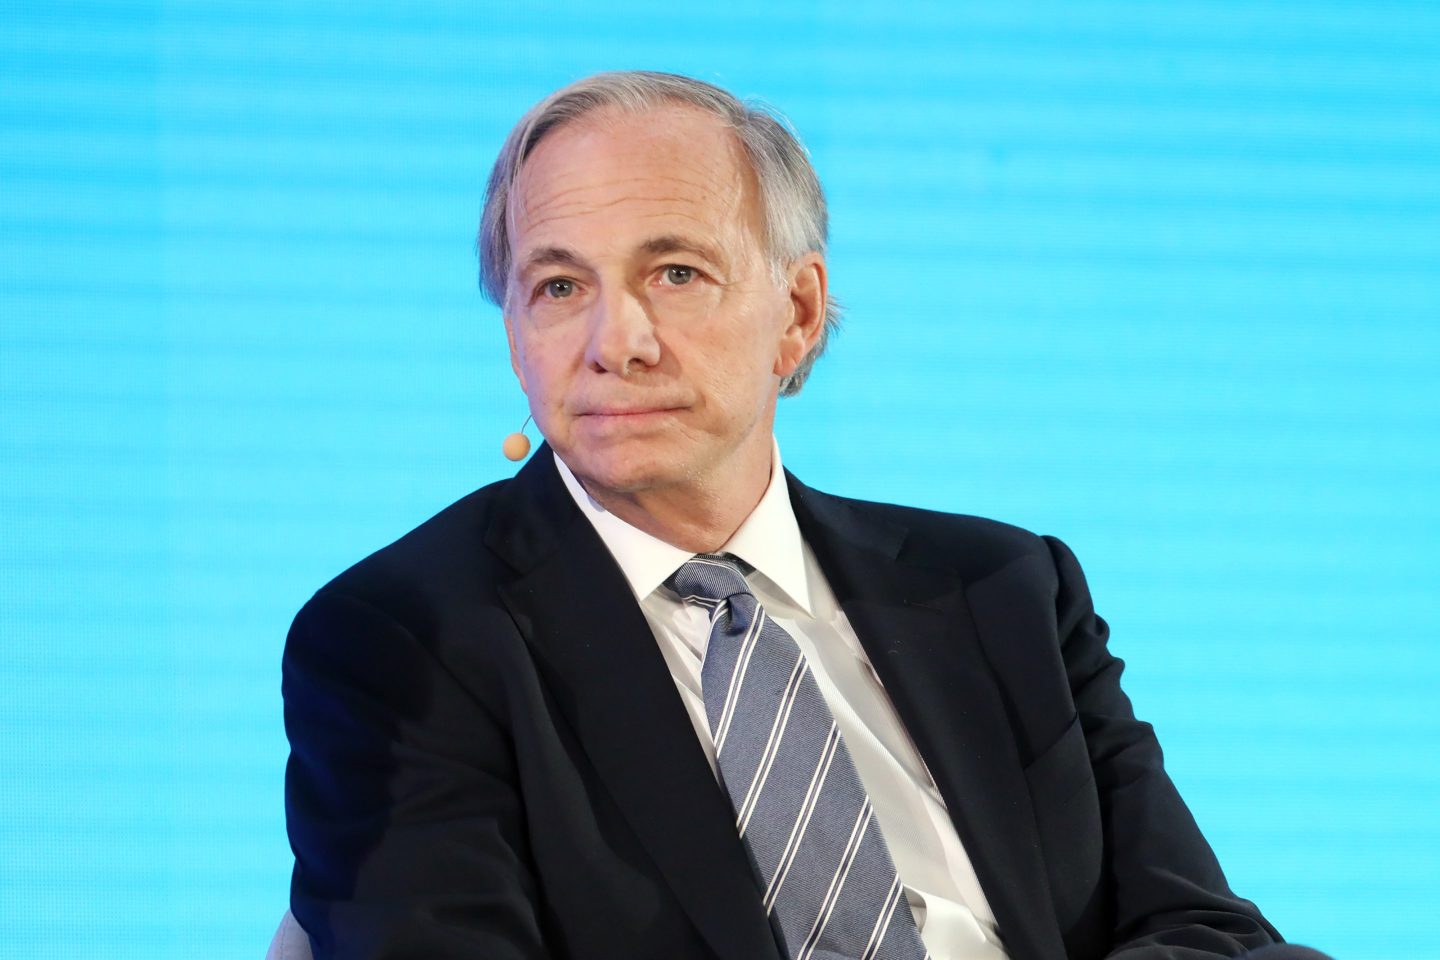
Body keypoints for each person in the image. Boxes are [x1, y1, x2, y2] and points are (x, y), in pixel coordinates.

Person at [282, 71, 1330, 960]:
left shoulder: (1001, 588)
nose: (616, 343)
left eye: (675, 273)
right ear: (512, 329)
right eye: (558, 287)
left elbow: (1205, 931)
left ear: (798, 311)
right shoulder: (405, 640)